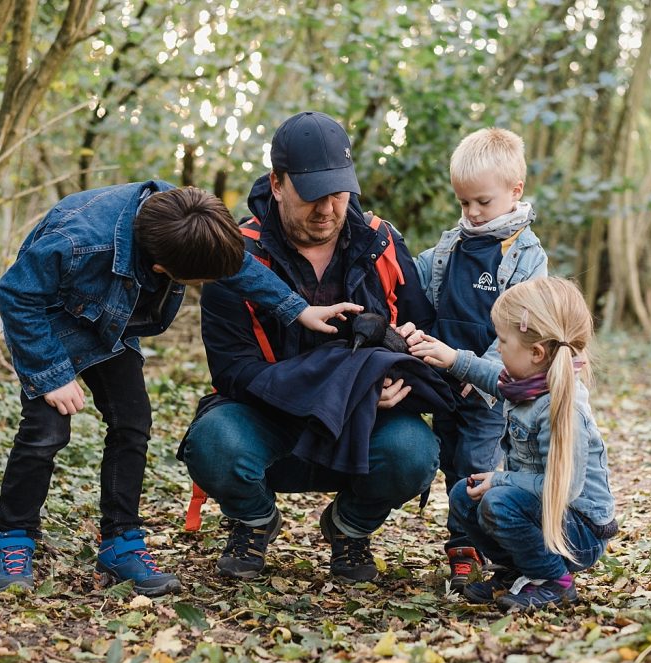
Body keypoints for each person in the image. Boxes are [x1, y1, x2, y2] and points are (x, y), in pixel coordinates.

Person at [0, 182, 360, 595]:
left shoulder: (189, 219)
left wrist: (299, 310)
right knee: (46, 432)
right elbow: (17, 294)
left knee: (132, 423)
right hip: (48, 321)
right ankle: (13, 539)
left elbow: (235, 264)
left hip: (108, 321)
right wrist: (53, 374)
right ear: (162, 269)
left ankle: (121, 543)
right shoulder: (80, 242)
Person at [179, 111, 441, 582]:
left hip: (364, 425)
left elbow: (421, 335)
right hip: (266, 421)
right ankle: (254, 520)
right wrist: (330, 388)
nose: (327, 210)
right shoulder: (236, 255)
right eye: (312, 196)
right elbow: (232, 371)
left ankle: (349, 527)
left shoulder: (382, 244)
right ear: (278, 184)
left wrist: (393, 374)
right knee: (214, 443)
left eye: (338, 195)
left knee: (414, 452)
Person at [407, 277, 618, 611]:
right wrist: (451, 359)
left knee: (498, 501)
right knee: (464, 494)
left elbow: (564, 489)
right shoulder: (528, 383)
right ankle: (517, 571)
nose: (498, 346)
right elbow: (493, 378)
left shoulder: (560, 407)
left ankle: (555, 582)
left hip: (580, 530)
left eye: (503, 340)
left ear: (536, 353)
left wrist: (500, 479)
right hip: (545, 515)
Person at [412, 128, 548, 590]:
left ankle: (474, 548)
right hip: (444, 378)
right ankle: (467, 541)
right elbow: (413, 280)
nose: (471, 213)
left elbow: (523, 327)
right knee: (448, 457)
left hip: (489, 387)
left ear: (515, 192)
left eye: (482, 203)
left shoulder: (526, 256)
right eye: (463, 203)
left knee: (476, 464)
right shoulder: (451, 247)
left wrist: (481, 367)